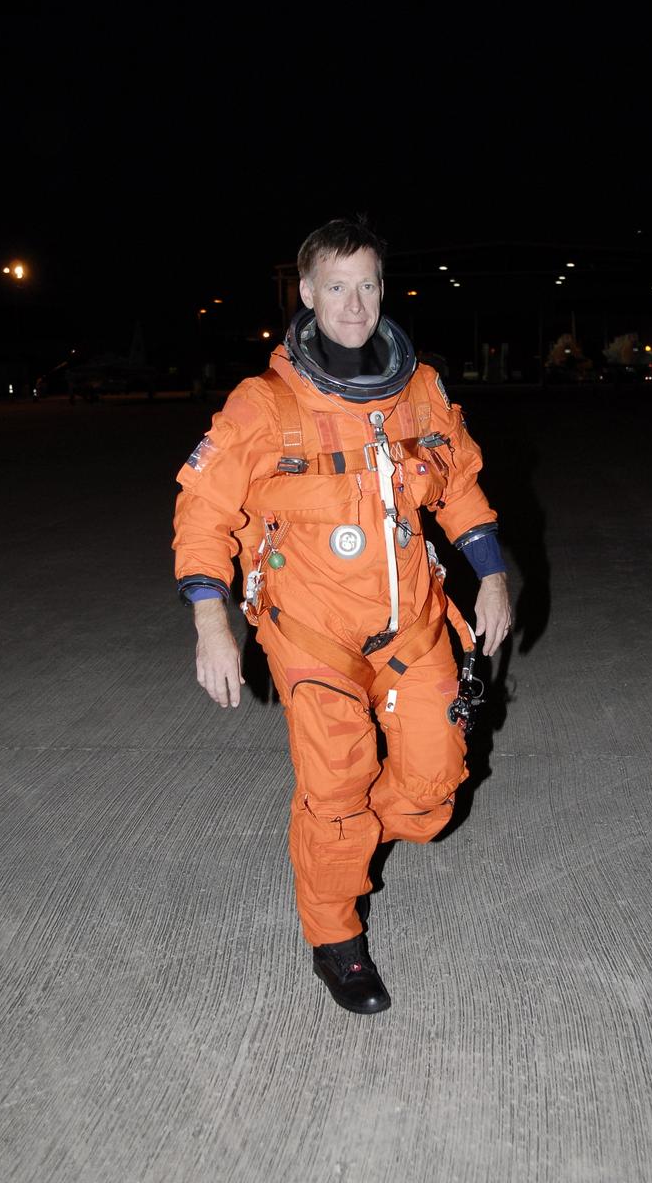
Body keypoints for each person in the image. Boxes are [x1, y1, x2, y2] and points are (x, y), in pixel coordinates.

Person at [173, 218, 511, 1014]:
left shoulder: (420, 388)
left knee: (430, 796)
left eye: (367, 285)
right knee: (337, 788)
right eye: (336, 286)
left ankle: (343, 840)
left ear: (382, 289)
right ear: (307, 293)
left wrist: (491, 576)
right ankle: (337, 940)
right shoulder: (265, 405)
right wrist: (209, 622)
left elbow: (458, 484)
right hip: (312, 634)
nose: (354, 303)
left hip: (414, 624)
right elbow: (203, 509)